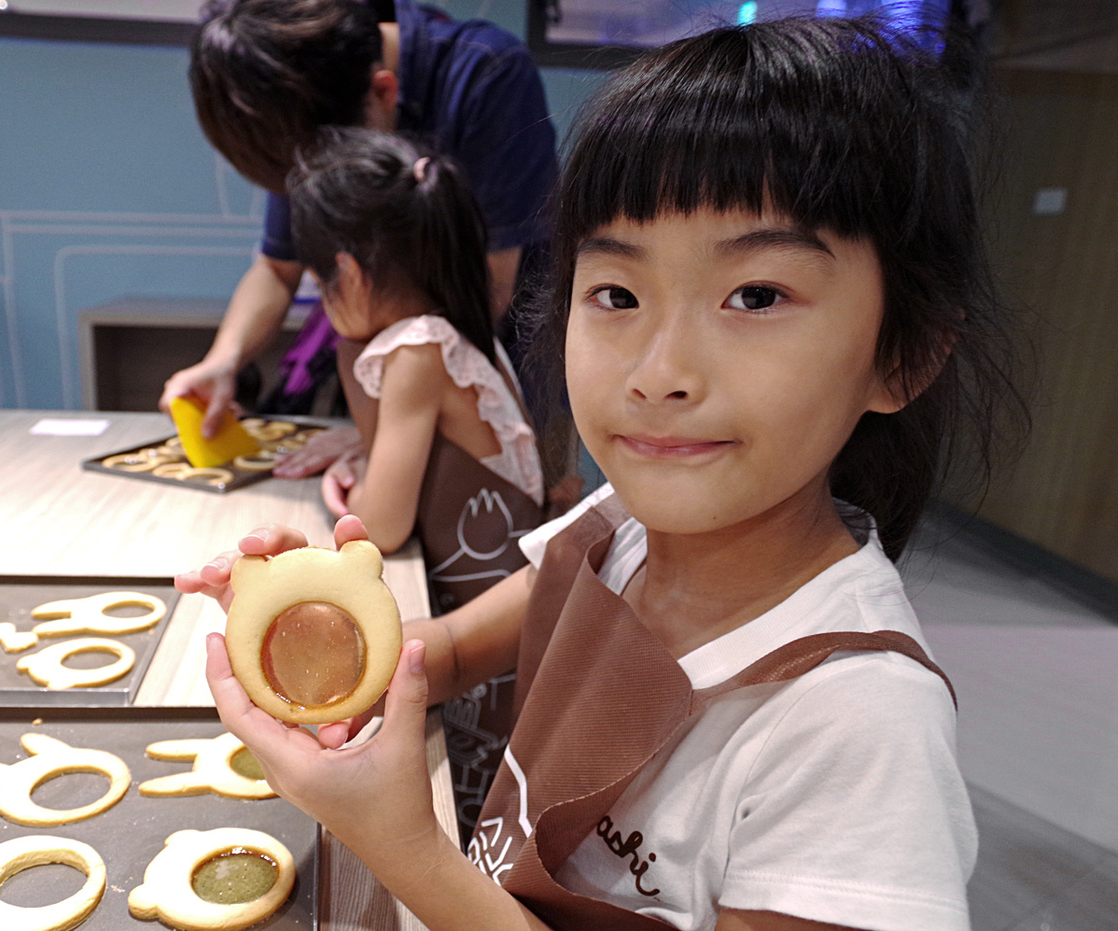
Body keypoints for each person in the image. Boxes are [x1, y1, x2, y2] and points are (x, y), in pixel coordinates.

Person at [178, 14, 1027, 931]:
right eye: (616, 293)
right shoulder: (613, 531)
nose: (658, 371)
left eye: (757, 295)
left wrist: (407, 850)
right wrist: (317, 644)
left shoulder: (857, 727)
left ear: (901, 356)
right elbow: (450, 652)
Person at [159, 0, 558, 462]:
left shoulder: (487, 74)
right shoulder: (304, 112)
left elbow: (487, 289)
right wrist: (223, 361)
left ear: (384, 91)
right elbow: (278, 268)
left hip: (503, 376)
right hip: (395, 395)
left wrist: (389, 432)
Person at [288, 126, 545, 839]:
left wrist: (347, 371)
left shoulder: (416, 350)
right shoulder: (453, 332)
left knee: (465, 803)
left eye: (318, 280)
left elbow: (383, 525)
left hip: (485, 640)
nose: (317, 296)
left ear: (352, 271)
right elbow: (390, 458)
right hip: (487, 614)